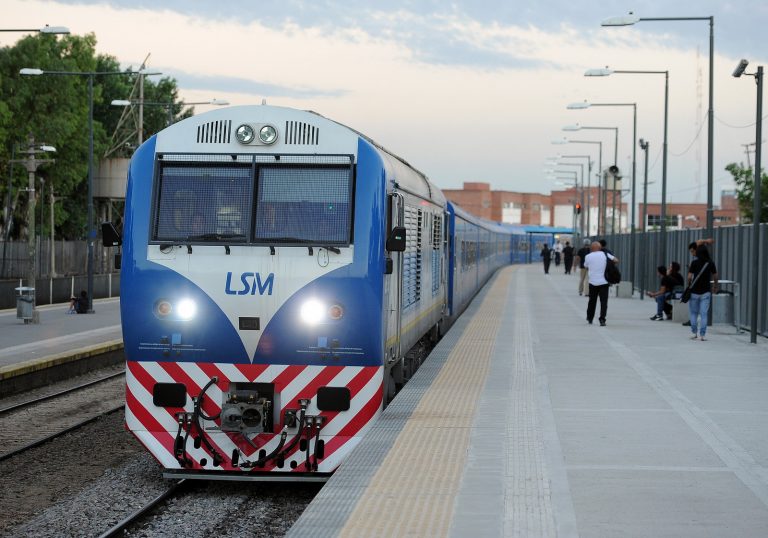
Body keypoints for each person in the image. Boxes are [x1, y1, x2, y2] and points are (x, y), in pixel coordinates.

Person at [687, 244, 718, 341]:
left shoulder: (694, 263)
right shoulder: (711, 263)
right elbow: (715, 276)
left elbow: (689, 277)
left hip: (694, 292)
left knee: (693, 313)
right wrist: (715, 286)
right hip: (706, 292)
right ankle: (702, 335)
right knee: (704, 314)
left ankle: (694, 332)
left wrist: (689, 285)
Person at [584, 241, 619, 326]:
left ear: (591, 248)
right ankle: (602, 319)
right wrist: (609, 265)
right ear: (600, 248)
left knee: (592, 301)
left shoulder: (588, 256)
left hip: (592, 282)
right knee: (604, 302)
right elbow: (616, 260)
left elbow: (586, 266)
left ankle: (590, 318)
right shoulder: (605, 254)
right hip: (604, 282)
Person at [682, 238, 714, 326]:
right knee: (702, 311)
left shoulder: (697, 261)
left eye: (693, 251)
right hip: (705, 289)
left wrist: (706, 241)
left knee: (695, 310)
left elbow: (698, 241)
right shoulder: (708, 261)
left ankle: (694, 324)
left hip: (698, 289)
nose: (692, 254)